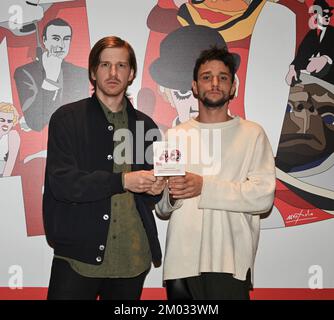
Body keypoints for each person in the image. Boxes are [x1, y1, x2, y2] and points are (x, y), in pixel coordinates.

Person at [43, 36, 166, 300]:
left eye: (121, 66)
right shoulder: (67, 119)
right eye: (105, 65)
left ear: (131, 73)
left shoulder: (147, 126)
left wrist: (156, 187)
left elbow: (149, 195)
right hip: (78, 257)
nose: (113, 73)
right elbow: (62, 183)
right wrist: (122, 181)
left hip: (133, 258)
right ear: (92, 71)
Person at [155, 46, 276, 300]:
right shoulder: (174, 136)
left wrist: (203, 186)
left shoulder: (253, 134)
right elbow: (162, 208)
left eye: (223, 77)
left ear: (233, 86)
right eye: (207, 77)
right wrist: (172, 196)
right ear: (195, 86)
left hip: (230, 262)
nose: (214, 83)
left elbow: (263, 197)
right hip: (181, 264)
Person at [14, 18, 89, 132]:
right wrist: (50, 79)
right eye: (56, 39)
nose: (61, 45)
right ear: (45, 40)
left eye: (66, 39)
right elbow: (36, 123)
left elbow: (81, 117)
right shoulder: (24, 73)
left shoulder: (81, 74)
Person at [286, 0, 334, 86]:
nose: (327, 17)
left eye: (329, 14)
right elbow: (302, 53)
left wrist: (326, 59)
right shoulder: (312, 33)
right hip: (313, 78)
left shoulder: (332, 32)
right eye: (323, 14)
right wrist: (292, 67)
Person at [0, 102, 20, 177]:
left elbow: (10, 162)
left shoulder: (13, 135)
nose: (6, 124)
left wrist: (4, 182)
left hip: (4, 177)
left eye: (9, 121)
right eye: (2, 120)